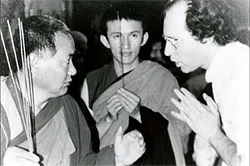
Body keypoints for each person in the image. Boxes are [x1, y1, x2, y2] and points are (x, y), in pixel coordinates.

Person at [0, 15, 146, 166]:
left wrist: (116, 159)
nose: (73, 71)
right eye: (67, 61)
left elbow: (84, 162)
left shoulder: (67, 106)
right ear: (34, 62)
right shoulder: (3, 102)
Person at [80, 4, 191, 166]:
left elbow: (181, 131)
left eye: (133, 35)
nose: (125, 45)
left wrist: (140, 114)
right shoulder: (92, 81)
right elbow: (84, 140)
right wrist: (109, 119)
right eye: (117, 36)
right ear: (105, 40)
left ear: (143, 38)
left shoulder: (162, 78)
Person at [162, 0, 249, 166]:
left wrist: (213, 134)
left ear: (206, 36)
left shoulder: (242, 75)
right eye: (166, 40)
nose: (167, 51)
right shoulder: (223, 71)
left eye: (174, 41)